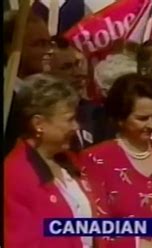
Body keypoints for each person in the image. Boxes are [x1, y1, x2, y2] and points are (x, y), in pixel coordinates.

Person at [81, 73, 152, 247]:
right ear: (121, 119)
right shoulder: (96, 158)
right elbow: (97, 230)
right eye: (142, 119)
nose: (151, 125)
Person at [4, 76, 110, 247]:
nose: (76, 127)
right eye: (69, 119)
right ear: (39, 123)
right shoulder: (14, 175)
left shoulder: (70, 161)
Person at [4, 10, 54, 155]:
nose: (48, 51)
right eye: (39, 44)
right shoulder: (7, 96)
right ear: (11, 49)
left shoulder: (46, 91)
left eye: (48, 43)